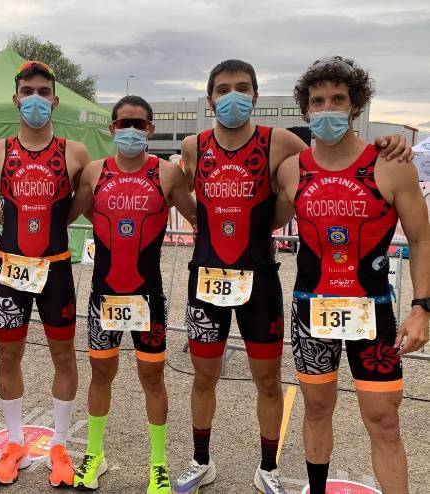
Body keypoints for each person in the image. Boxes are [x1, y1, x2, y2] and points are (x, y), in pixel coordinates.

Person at [173, 59, 412, 494]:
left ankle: (268, 468)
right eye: (223, 89)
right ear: (210, 99)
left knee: (269, 382)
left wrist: (389, 142)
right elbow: (180, 187)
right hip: (206, 277)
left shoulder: (280, 142)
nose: (232, 97)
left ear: (256, 95)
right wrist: (197, 220)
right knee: (203, 377)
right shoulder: (193, 145)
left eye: (242, 88)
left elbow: (327, 162)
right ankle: (200, 460)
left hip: (261, 280)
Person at [274, 56, 430, 494]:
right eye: (318, 101)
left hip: (372, 309)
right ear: (306, 109)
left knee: (384, 421)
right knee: (316, 408)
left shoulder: (391, 163)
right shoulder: (292, 169)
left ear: (355, 105)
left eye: (338, 99)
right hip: (310, 308)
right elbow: (261, 217)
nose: (327, 109)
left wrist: (422, 308)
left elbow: (422, 239)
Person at [0, 60, 90, 487]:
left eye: (43, 92)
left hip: (55, 268)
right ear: (16, 99)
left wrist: (49, 224)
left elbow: (78, 207)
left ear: (55, 99)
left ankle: (59, 446)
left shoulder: (75, 152)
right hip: (11, 270)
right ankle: (15, 443)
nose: (36, 99)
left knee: (63, 356)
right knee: (8, 354)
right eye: (28, 92)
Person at [68, 95, 196, 493]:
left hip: (148, 297)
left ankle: (158, 464)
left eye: (139, 124)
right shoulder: (95, 171)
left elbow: (198, 217)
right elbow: (73, 212)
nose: (130, 130)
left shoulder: (167, 173)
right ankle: (95, 454)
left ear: (150, 129)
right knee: (100, 375)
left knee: (152, 378)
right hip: (104, 295)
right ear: (112, 128)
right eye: (123, 123)